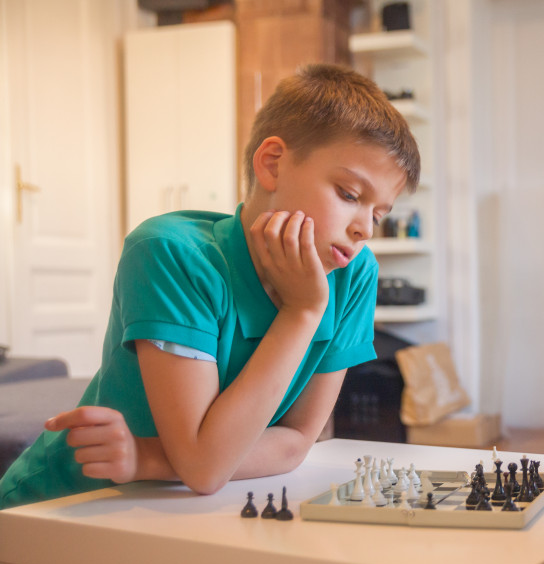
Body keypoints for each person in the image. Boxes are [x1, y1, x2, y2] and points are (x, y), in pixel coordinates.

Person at [0, 64, 419, 509]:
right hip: (59, 510)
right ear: (272, 164)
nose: (364, 231)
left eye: (378, 215)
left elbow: (298, 440)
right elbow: (205, 467)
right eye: (350, 195)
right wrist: (303, 312)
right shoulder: (170, 253)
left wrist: (149, 458)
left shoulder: (353, 274)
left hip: (185, 511)